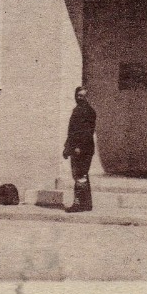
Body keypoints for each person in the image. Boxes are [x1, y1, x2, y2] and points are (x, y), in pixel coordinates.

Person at [62, 85, 97, 213]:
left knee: (80, 175)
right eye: (78, 95)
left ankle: (78, 204)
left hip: (83, 149)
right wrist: (67, 148)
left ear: (87, 97)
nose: (80, 98)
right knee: (81, 175)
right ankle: (87, 204)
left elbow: (87, 132)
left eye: (82, 96)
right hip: (76, 148)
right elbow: (71, 132)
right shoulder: (77, 110)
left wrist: (78, 147)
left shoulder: (89, 111)